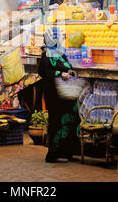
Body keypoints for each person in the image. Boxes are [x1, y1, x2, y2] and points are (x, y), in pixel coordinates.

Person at [38, 26, 80, 163]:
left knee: (69, 121)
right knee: (56, 122)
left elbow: (67, 66)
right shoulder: (46, 54)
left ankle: (67, 152)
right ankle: (53, 153)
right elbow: (44, 73)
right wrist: (59, 74)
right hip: (54, 94)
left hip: (66, 93)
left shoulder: (60, 52)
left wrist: (69, 73)